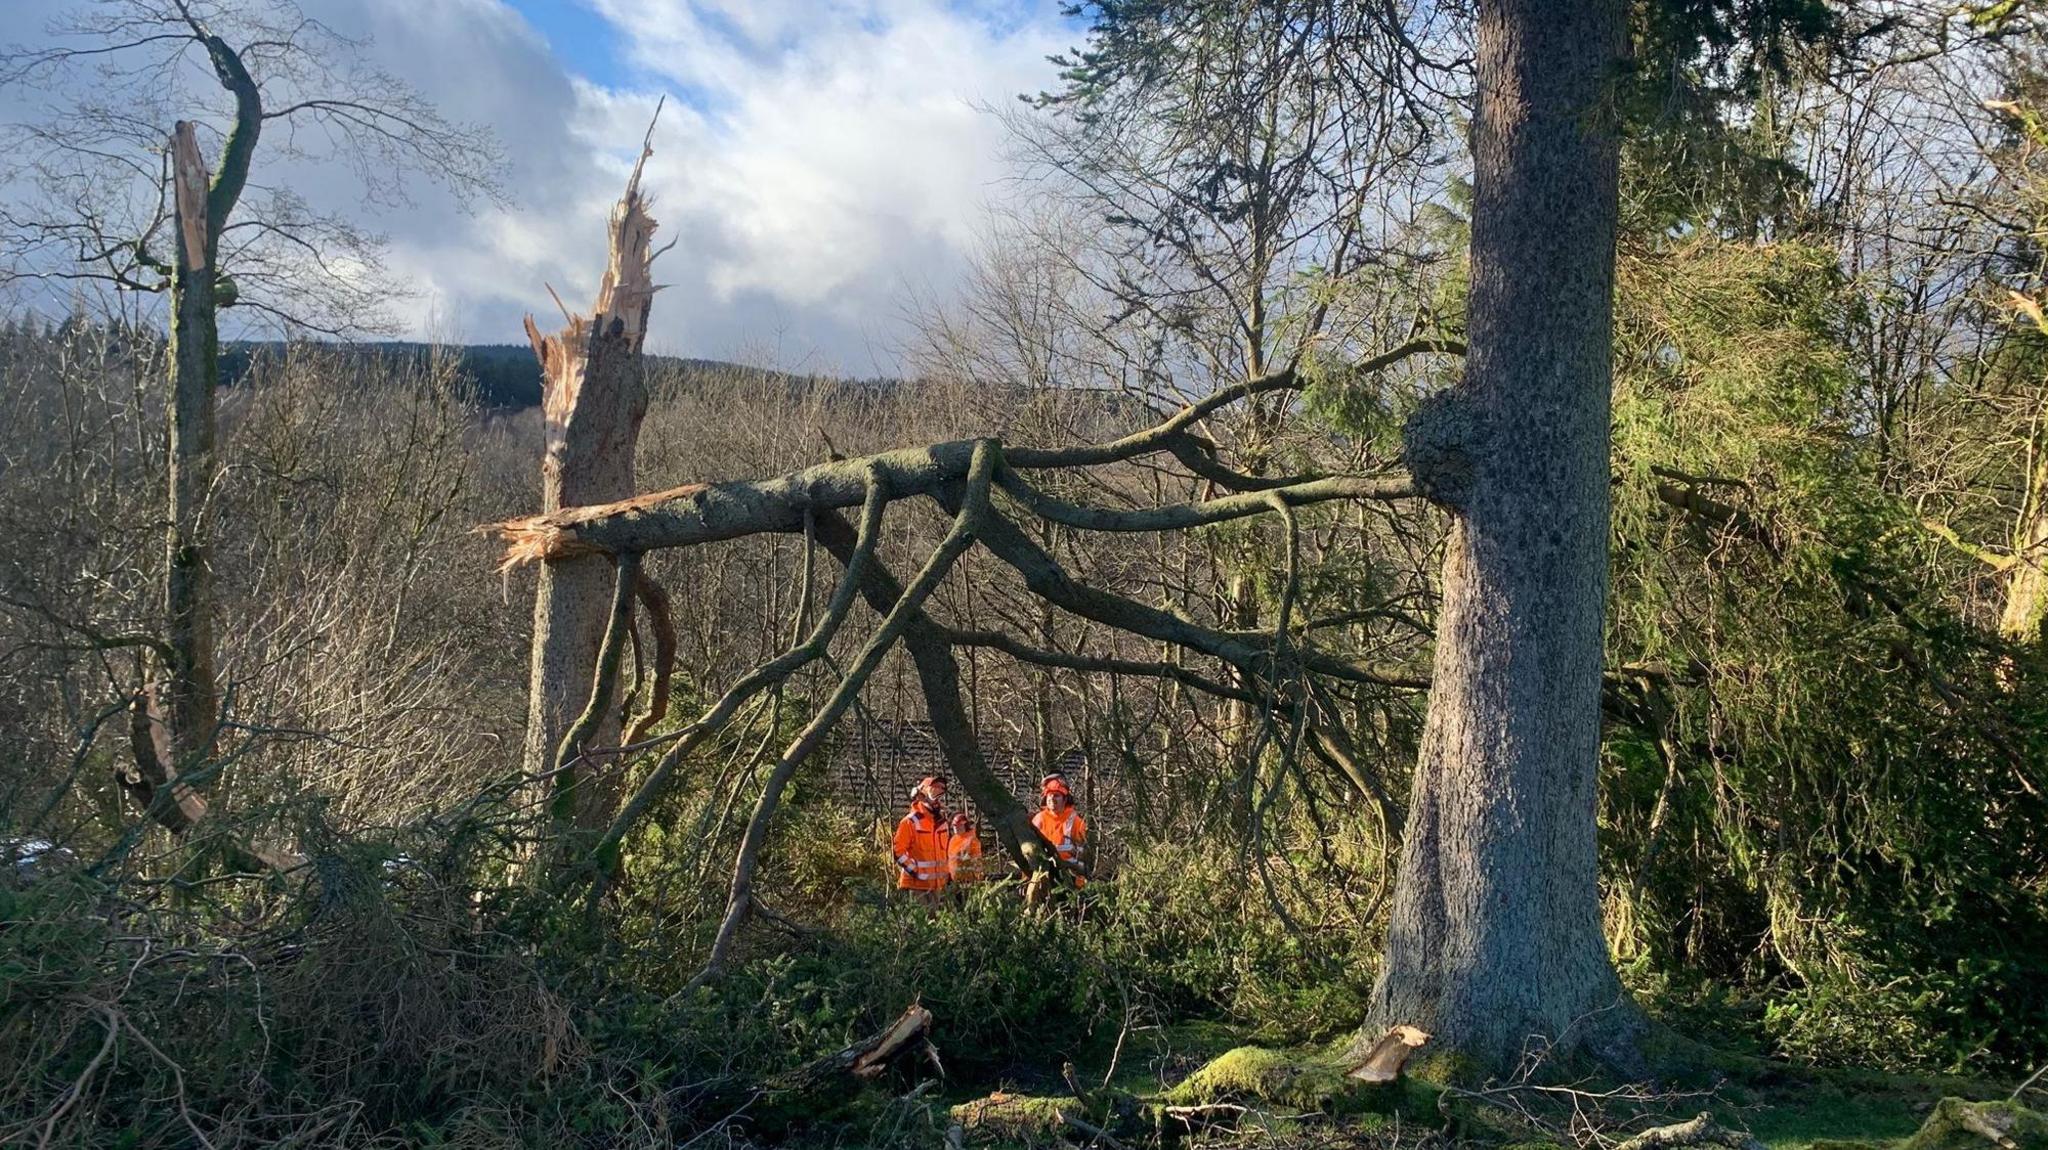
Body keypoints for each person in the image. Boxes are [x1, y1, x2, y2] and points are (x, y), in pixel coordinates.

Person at [892, 774, 951, 900]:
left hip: (938, 886)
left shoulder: (943, 823)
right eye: (934, 792)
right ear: (921, 796)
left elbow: (946, 853)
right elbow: (897, 851)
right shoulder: (910, 822)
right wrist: (915, 870)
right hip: (916, 886)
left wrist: (949, 876)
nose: (937, 801)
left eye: (940, 793)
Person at [1030, 773, 1088, 890]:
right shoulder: (1038, 820)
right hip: (1045, 876)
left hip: (1069, 877)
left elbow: (1084, 856)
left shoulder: (1077, 822)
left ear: (1065, 799)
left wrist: (1080, 884)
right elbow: (1029, 851)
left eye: (1056, 795)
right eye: (1049, 795)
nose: (1052, 798)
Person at [946, 812, 986, 888]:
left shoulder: (971, 840)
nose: (956, 828)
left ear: (965, 825)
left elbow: (977, 861)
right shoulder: (953, 840)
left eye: (959, 825)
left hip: (968, 881)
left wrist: (978, 878)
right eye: (954, 826)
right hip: (954, 881)